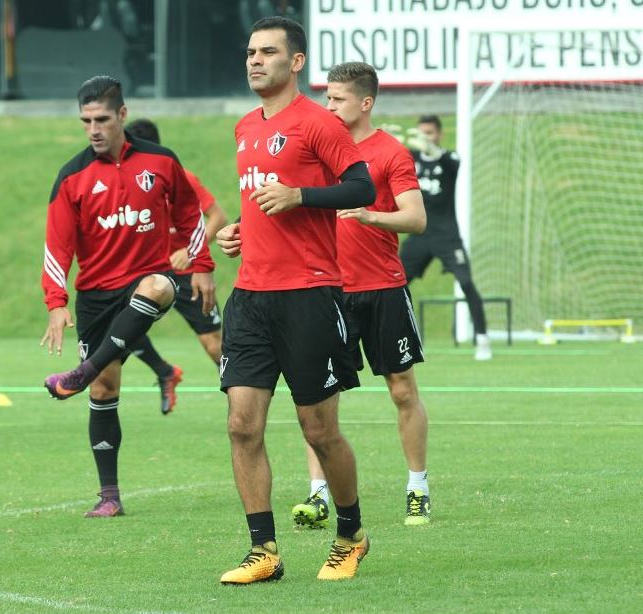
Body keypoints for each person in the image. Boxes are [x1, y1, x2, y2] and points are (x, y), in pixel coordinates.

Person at [215, 17, 376, 585]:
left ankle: (351, 534)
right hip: (251, 297)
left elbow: (362, 187)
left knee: (319, 430)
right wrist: (237, 230)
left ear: (297, 62)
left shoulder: (317, 122)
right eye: (251, 52)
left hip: (309, 296)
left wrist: (301, 195)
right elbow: (265, 203)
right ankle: (264, 551)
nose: (256, 61)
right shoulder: (243, 127)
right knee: (241, 425)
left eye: (268, 52)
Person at [40, 76, 215, 517]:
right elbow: (57, 246)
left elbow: (192, 215)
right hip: (96, 295)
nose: (94, 129)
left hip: (149, 278)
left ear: (122, 115)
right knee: (105, 387)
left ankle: (81, 373)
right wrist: (56, 303)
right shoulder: (72, 176)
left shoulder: (160, 160)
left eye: (101, 119)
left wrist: (202, 268)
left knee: (156, 287)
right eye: (86, 121)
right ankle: (109, 496)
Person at [291, 61, 432, 531]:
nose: (328, 106)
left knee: (401, 390)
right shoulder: (315, 152)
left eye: (337, 99)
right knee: (319, 397)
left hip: (383, 290)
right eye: (325, 97)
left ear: (365, 103)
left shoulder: (391, 153)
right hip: (326, 291)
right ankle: (318, 495)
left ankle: (417, 488)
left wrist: (372, 216)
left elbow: (415, 219)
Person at [123, 118, 228, 415]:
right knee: (122, 326)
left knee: (213, 344)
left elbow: (218, 217)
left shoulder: (182, 177)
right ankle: (164, 371)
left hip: (186, 276)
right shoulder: (126, 180)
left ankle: (242, 396)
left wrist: (190, 251)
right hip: (148, 275)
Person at [402, 115, 492, 361]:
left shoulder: (449, 158)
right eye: (421, 134)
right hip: (419, 233)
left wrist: (432, 149)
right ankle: (403, 340)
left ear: (439, 134)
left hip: (447, 235)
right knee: (394, 285)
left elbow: (453, 162)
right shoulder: (411, 159)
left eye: (429, 133)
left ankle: (482, 339)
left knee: (465, 281)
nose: (424, 139)